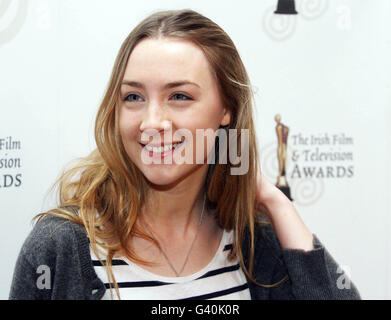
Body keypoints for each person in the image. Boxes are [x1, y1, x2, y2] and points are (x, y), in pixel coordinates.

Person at [9, 9, 361, 300]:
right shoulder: (60, 246)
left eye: (179, 96)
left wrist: (274, 200)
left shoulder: (254, 244)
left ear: (226, 110)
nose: (152, 122)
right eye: (134, 97)